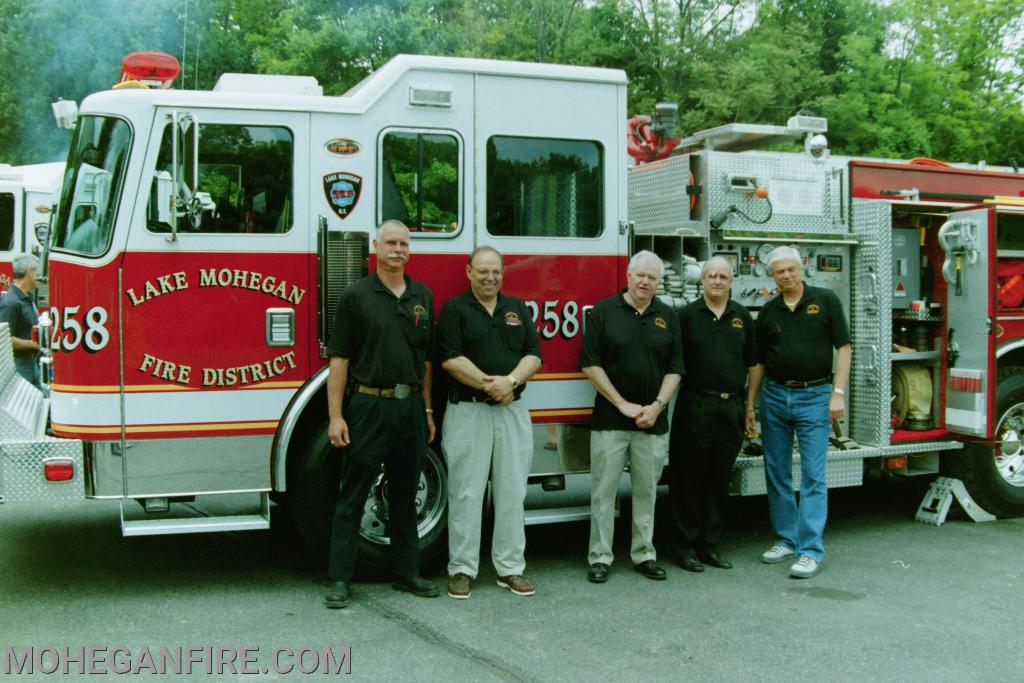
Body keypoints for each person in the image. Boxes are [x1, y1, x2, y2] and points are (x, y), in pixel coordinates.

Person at [323, 219, 439, 609]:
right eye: (391, 242)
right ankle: (340, 578)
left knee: (405, 494)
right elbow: (339, 360)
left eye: (404, 244)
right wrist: (336, 416)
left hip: (408, 408)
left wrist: (425, 409)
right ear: (376, 246)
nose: (398, 249)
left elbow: (425, 362)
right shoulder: (356, 296)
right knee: (352, 493)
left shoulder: (422, 295)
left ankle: (407, 573)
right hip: (368, 405)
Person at [439, 246, 542, 599]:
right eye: (482, 271)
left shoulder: (517, 308)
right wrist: (491, 383)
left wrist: (510, 383)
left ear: (503, 273)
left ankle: (510, 568)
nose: (490, 277)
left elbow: (534, 355)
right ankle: (461, 569)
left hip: (511, 411)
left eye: (496, 271)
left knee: (512, 491)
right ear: (469, 272)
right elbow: (450, 360)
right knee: (466, 492)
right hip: (469, 411)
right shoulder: (455, 309)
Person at [746, 246, 851, 579]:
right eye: (779, 272)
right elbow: (759, 362)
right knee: (776, 471)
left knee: (813, 475)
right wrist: (751, 402)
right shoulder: (769, 311)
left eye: (791, 269)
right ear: (772, 276)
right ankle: (786, 540)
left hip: (815, 396)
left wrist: (838, 393)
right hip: (775, 396)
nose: (786, 275)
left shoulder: (826, 300)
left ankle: (810, 551)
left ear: (802, 267)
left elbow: (844, 347)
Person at [580, 250, 682, 584]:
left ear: (658, 282)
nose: (645, 282)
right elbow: (590, 364)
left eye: (653, 277)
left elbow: (675, 369)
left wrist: (657, 406)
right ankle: (600, 556)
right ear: (627, 275)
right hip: (611, 420)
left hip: (652, 422)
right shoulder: (604, 312)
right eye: (640, 275)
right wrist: (622, 404)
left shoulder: (667, 315)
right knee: (603, 491)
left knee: (646, 491)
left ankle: (644, 554)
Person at [669, 256, 756, 573]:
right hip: (696, 404)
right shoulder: (686, 316)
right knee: (688, 478)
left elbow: (753, 364)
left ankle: (710, 546)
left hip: (730, 407)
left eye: (723, 276)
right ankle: (685, 547)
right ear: (702, 280)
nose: (717, 281)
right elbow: (673, 363)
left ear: (731, 281)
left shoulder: (742, 317)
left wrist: (748, 406)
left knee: (719, 480)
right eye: (712, 276)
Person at [0, 254, 41, 387]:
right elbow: (3, 339)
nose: (41, 277)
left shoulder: (27, 297)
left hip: (32, 364)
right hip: (19, 367)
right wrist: (32, 344)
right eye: (38, 272)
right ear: (29, 272)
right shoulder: (11, 303)